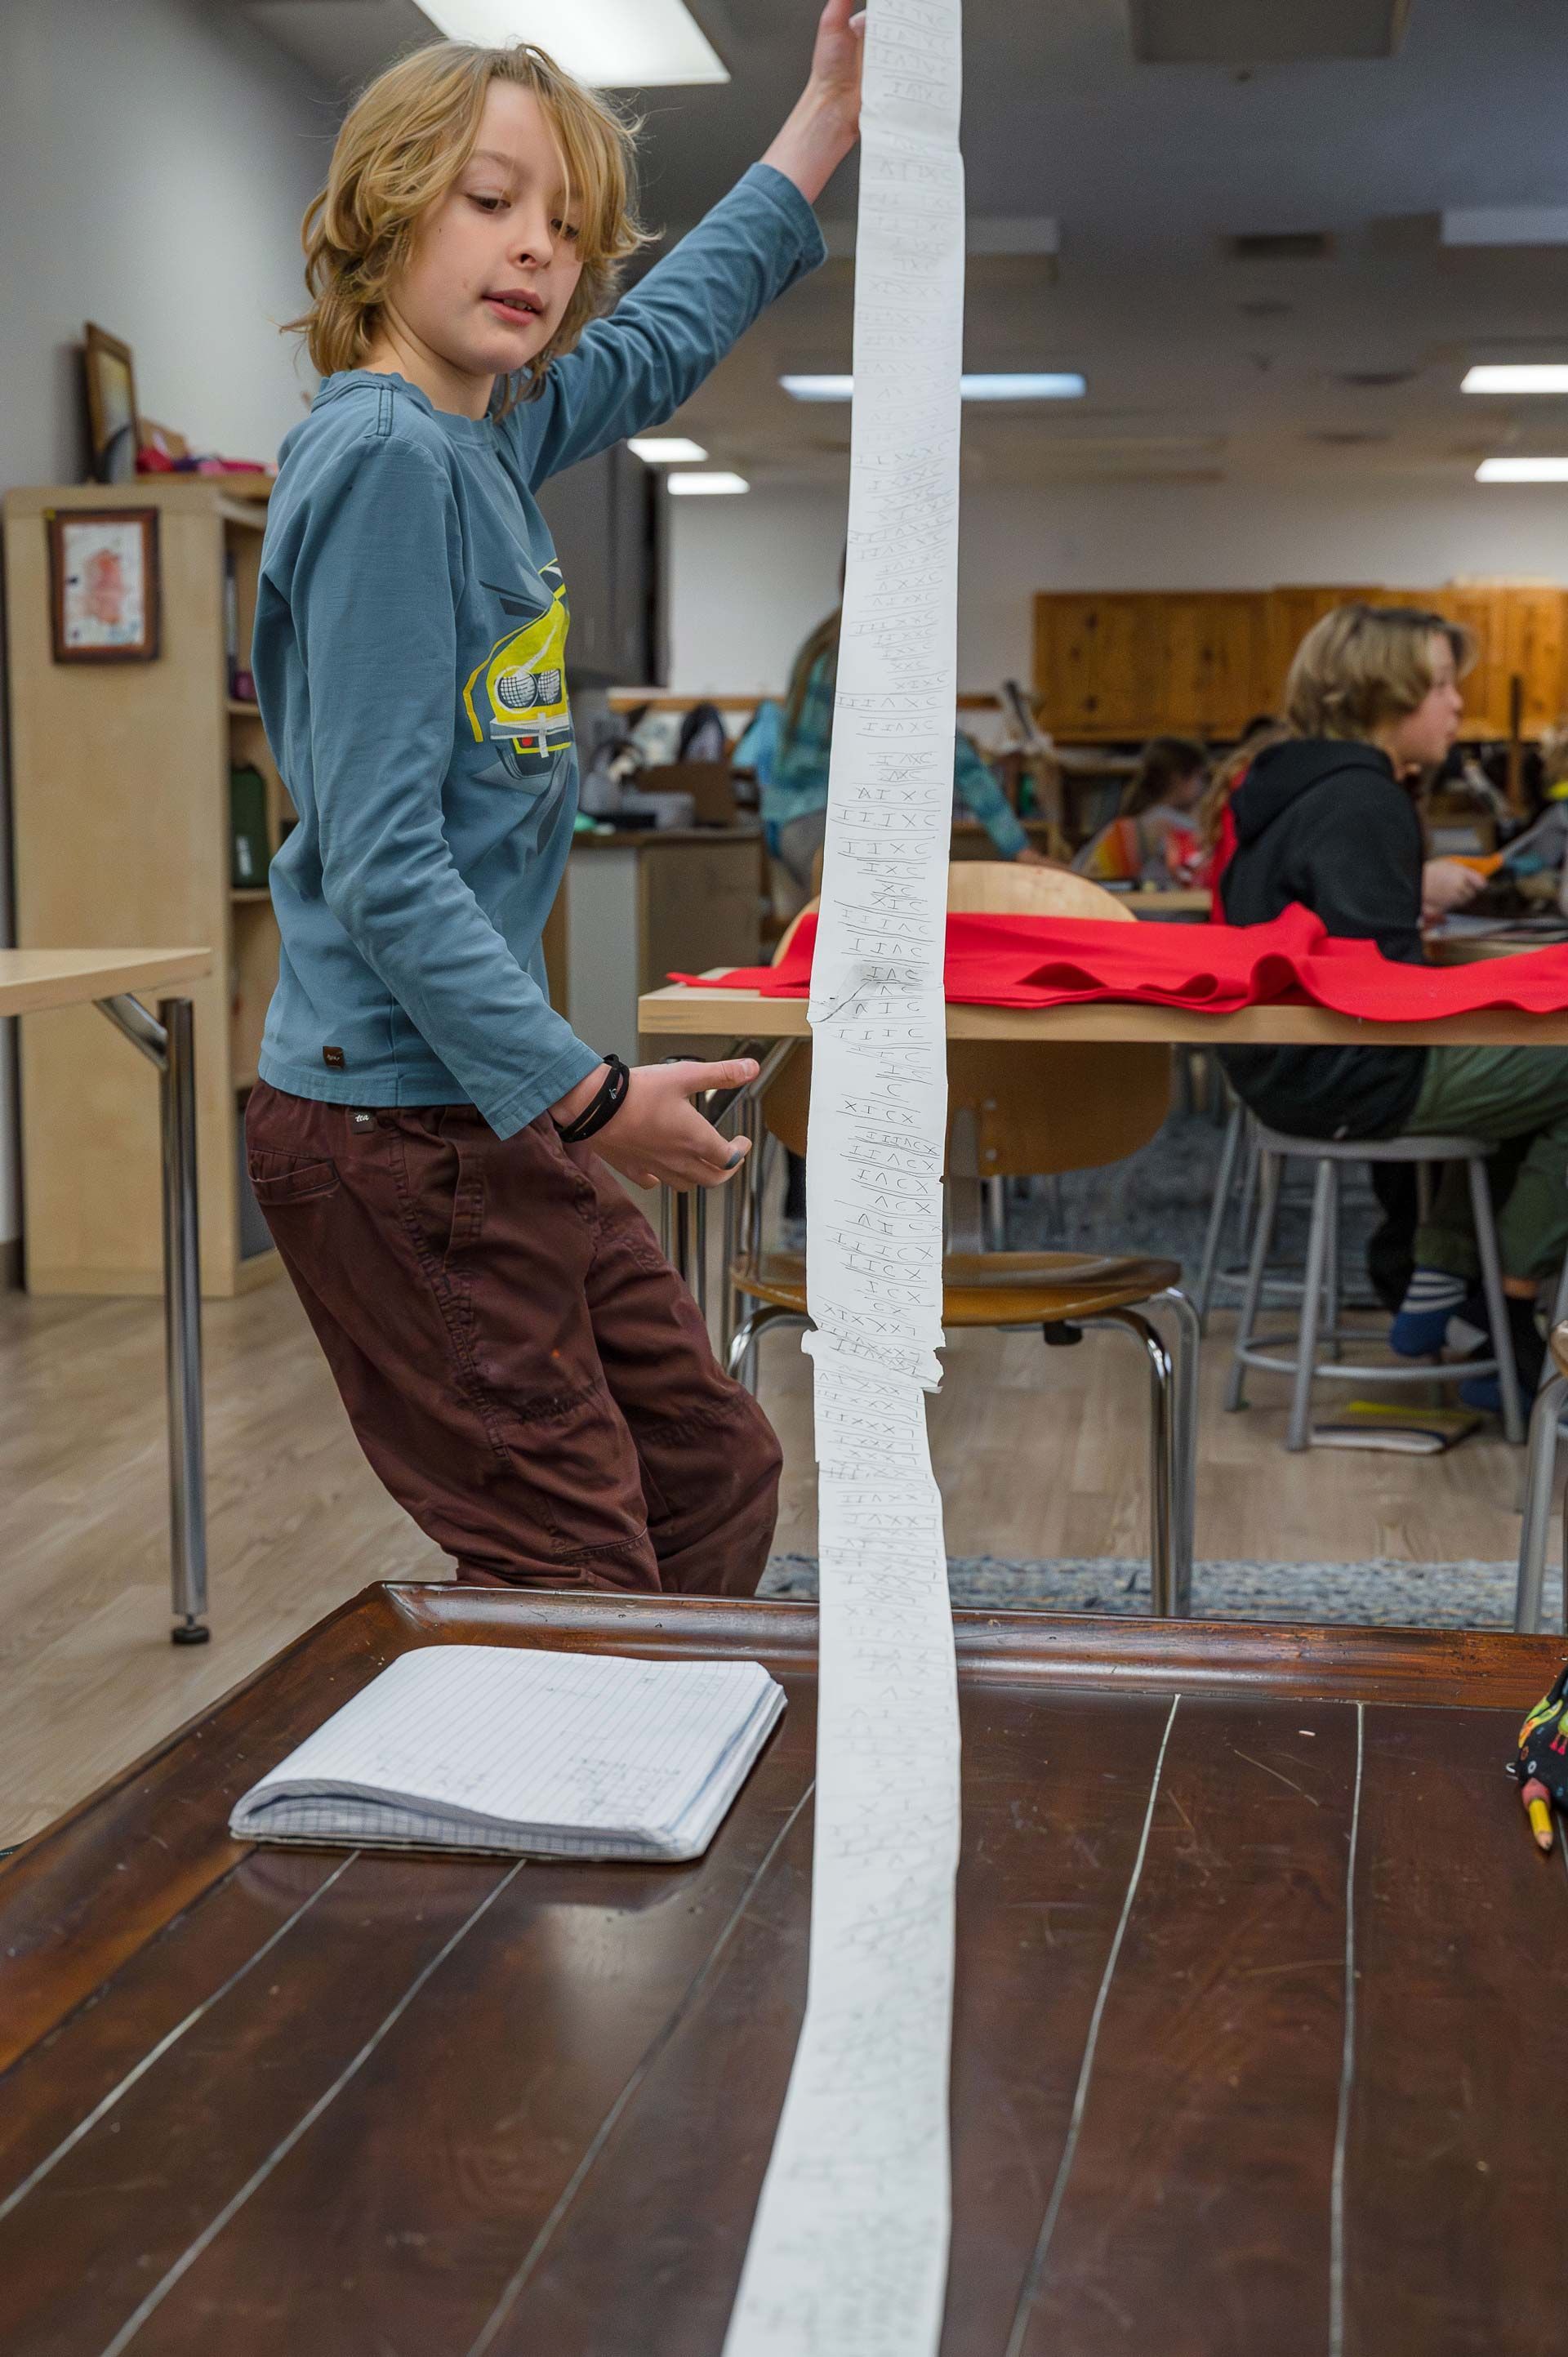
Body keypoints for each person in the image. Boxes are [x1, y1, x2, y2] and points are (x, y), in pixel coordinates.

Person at [244, 10, 867, 1593]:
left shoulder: (488, 438)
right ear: (386, 210)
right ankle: (553, 1810)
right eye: (491, 201)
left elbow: (661, 338)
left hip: (474, 1105)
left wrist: (822, 124)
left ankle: (641, 1777)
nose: (539, 252)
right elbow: (381, 867)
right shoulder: (388, 462)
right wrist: (593, 1100)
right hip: (392, 1128)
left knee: (710, 1469)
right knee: (577, 1560)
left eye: (569, 227)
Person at [1218, 602, 1568, 1406]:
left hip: (1288, 1067)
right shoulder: (1365, 798)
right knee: (1557, 1057)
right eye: (1441, 686)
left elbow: (1344, 943)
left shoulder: (1297, 782)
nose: (1457, 706)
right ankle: (1505, 1306)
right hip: (1354, 1075)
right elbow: (1388, 995)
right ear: (1385, 694)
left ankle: (1445, 1278)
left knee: (1538, 1060)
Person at [764, 603, 1051, 919]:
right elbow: (958, 758)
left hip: (791, 820)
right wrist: (1018, 846)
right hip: (821, 822)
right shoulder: (870, 652)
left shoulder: (822, 642)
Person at [1073, 735, 1206, 886]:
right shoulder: (1161, 821)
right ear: (1177, 779)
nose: (1203, 787)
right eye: (1200, 777)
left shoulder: (1139, 818)